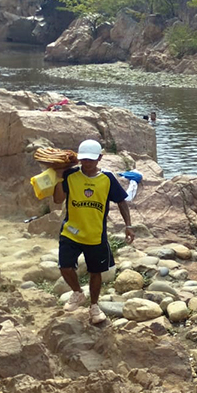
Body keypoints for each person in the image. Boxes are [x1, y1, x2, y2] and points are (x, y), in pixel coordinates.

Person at [53, 139, 134, 325]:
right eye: (84, 159)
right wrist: (58, 177)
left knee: (95, 272)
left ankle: (94, 306)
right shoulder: (70, 175)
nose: (87, 163)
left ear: (99, 158)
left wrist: (128, 226)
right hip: (71, 232)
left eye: (91, 159)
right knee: (65, 267)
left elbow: (121, 201)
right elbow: (58, 200)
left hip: (95, 235)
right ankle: (77, 292)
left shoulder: (107, 178)